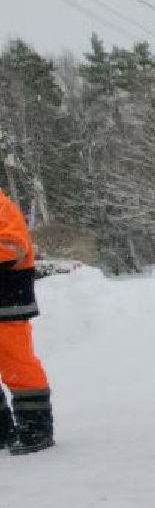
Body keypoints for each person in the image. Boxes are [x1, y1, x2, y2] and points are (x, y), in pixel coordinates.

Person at [0, 185, 53, 455]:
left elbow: (13, 247)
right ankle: (3, 434)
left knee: (17, 365)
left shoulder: (1, 205)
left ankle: (36, 430)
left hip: (7, 301)